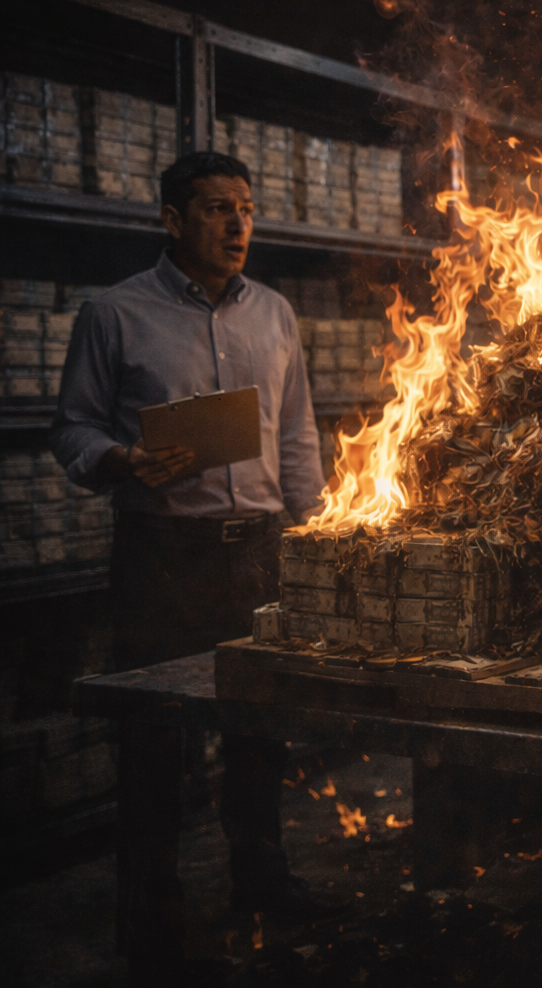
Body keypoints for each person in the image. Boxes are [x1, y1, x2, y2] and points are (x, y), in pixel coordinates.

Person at [51, 152, 338, 983]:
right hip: (162, 556)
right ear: (172, 221)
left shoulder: (274, 314)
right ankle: (152, 926)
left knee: (258, 735)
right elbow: (70, 429)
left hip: (256, 553)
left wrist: (315, 534)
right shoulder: (114, 314)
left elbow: (296, 436)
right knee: (151, 749)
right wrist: (119, 459)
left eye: (246, 208)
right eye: (216, 209)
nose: (238, 224)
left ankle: (262, 885)